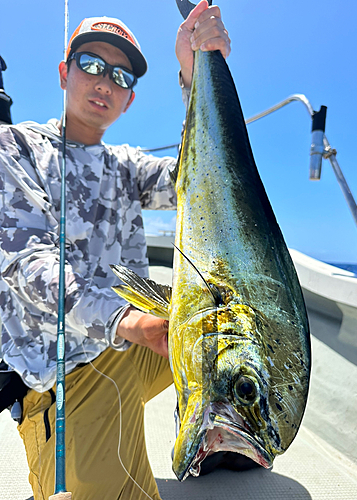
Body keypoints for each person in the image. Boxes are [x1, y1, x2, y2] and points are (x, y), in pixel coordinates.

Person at [0, 2, 231, 499]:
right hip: (70, 375)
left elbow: (201, 180)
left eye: (121, 76)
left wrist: (197, 76)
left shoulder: (126, 166)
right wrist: (126, 319)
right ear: (65, 74)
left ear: (128, 100)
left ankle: (222, 436)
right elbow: (28, 263)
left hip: (141, 342)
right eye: (91, 65)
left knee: (229, 334)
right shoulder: (13, 148)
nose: (105, 82)